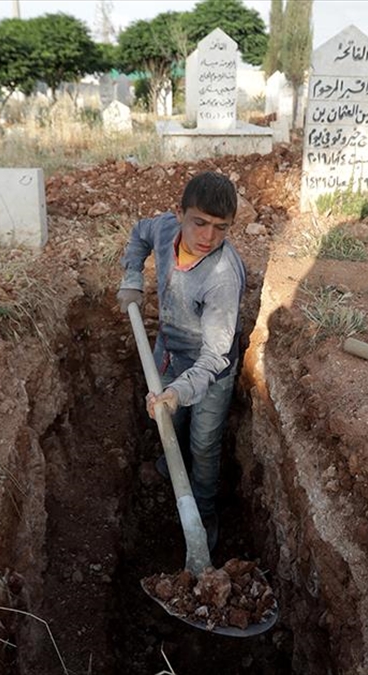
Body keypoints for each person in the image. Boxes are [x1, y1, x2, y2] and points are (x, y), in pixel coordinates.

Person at [116, 171, 246, 551]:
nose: (207, 237)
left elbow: (214, 356)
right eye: (199, 223)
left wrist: (178, 391)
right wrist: (132, 276)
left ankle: (203, 515)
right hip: (169, 351)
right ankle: (168, 463)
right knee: (169, 418)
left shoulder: (222, 277)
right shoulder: (163, 230)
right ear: (181, 214)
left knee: (204, 442)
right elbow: (140, 233)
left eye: (221, 228)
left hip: (211, 368)